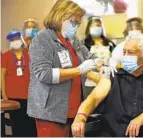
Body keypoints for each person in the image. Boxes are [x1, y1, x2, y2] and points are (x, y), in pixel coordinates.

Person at [27, 0, 102, 137]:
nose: (76, 26)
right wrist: (79, 70)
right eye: (73, 22)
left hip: (74, 109)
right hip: (50, 112)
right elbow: (44, 74)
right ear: (60, 16)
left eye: (78, 23)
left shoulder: (72, 40)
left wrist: (101, 64)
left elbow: (90, 56)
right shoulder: (43, 38)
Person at [71, 33, 143, 137]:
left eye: (130, 53)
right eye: (124, 52)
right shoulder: (113, 74)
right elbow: (93, 99)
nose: (125, 57)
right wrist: (80, 117)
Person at [1, 29, 37, 137]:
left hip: (29, 95)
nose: (15, 41)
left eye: (16, 39)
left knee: (30, 124)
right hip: (13, 97)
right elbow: (1, 77)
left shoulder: (29, 53)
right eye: (12, 40)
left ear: (20, 39)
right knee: (17, 125)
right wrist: (4, 95)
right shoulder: (6, 56)